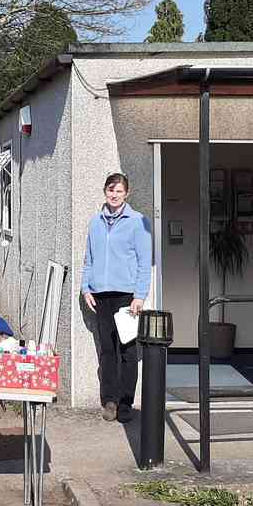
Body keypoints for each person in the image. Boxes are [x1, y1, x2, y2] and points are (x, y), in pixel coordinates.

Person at [81, 172, 152, 422]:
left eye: (119, 191)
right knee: (107, 351)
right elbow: (89, 258)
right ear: (105, 191)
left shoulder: (138, 222)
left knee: (129, 351)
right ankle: (109, 401)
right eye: (111, 190)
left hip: (126, 296)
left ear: (126, 194)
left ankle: (125, 402)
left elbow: (145, 263)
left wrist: (140, 296)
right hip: (101, 295)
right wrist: (86, 288)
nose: (114, 194)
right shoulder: (95, 222)